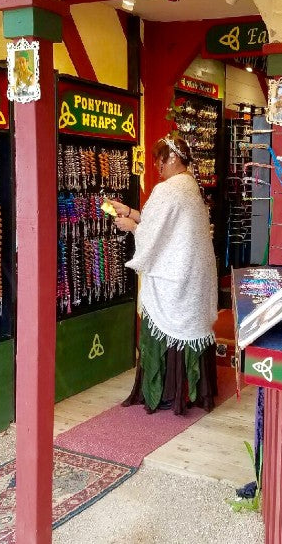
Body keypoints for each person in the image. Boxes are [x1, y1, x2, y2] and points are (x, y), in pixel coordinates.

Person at [110, 132, 218, 415]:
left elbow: (154, 233)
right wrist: (132, 212)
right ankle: (191, 389)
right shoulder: (190, 186)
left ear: (172, 158)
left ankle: (164, 392)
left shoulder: (168, 189)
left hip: (175, 279)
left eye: (159, 160)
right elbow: (165, 226)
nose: (156, 166)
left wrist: (131, 226)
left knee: (164, 327)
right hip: (192, 274)